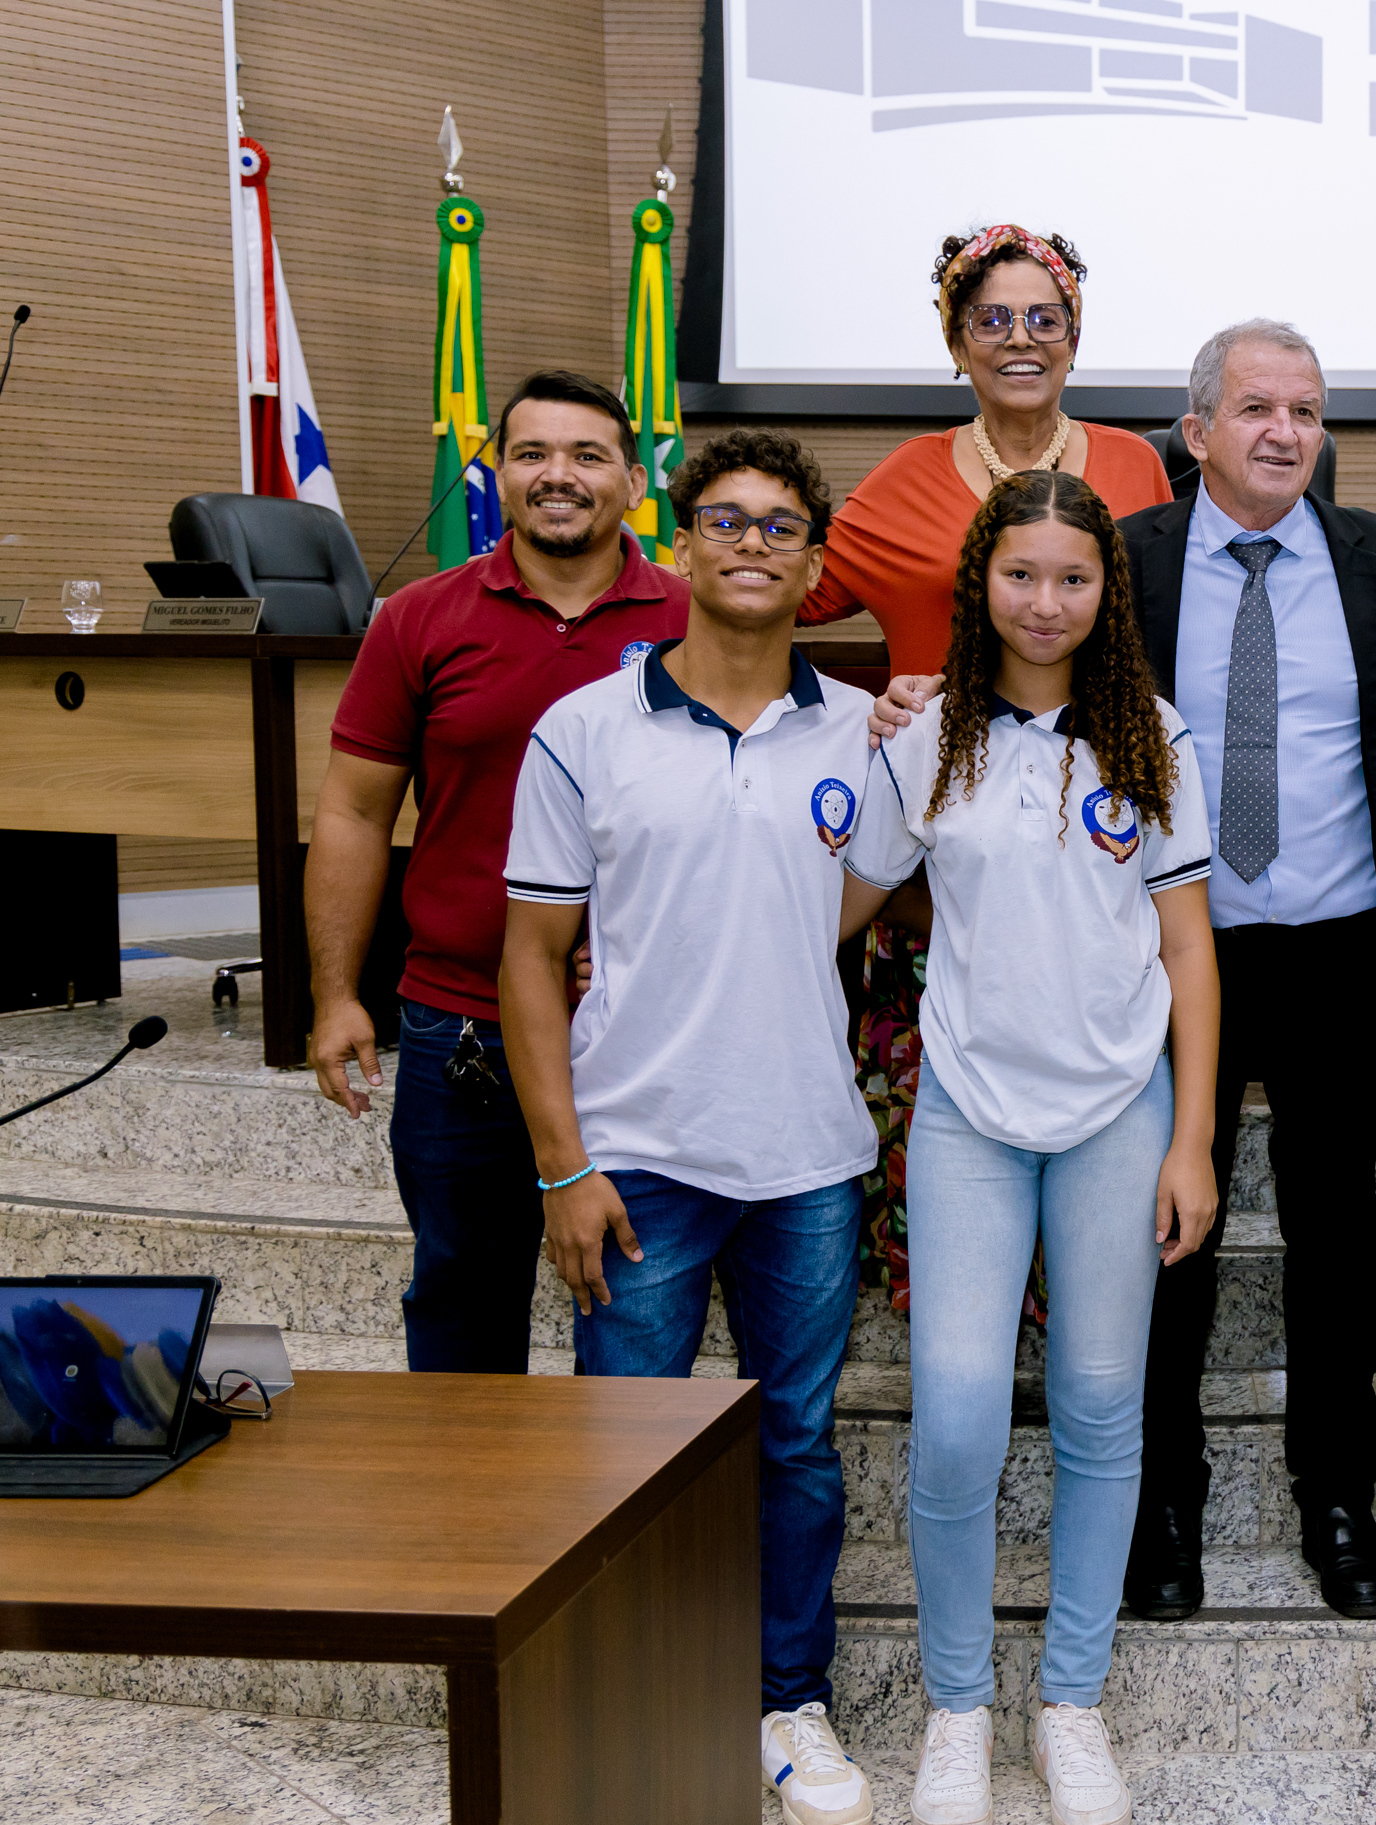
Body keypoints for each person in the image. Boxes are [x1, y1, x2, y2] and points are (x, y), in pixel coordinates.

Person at [872, 320, 1376, 1621]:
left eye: (1304, 408)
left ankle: (1335, 1497)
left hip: (1338, 942)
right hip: (1162, 944)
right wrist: (909, 705)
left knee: (1336, 1233)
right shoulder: (1126, 563)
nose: (1284, 431)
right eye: (1254, 408)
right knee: (1163, 1234)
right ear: (1195, 432)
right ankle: (1161, 1507)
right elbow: (1024, 681)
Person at [496, 429, 912, 1825]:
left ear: (811, 561)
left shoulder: (865, 732)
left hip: (805, 1157)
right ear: (675, 544)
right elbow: (528, 959)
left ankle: (784, 1700)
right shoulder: (585, 730)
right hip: (637, 1162)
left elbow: (847, 910)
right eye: (723, 521)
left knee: (791, 1442)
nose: (750, 544)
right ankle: (620, 1692)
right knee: (624, 1441)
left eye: (779, 526)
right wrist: (564, 1162)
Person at [876, 470, 1220, 1825]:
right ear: (980, 582)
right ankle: (958, 1707)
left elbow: (1190, 947)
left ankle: (1069, 1701)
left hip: (1116, 1114)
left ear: (1105, 593)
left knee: (1095, 1402)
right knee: (957, 1413)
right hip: (965, 1110)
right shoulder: (931, 736)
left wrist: (1190, 1138)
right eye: (1019, 574)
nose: (1044, 600)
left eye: (1072, 578)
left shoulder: (1151, 736)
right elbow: (837, 897)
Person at [800, 225, 1175, 1315]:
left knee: (1096, 1250)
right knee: (948, 1192)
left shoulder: (1133, 465)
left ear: (1073, 336)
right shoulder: (905, 479)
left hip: (1085, 848)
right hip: (935, 864)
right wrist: (861, 708)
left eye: (1042, 319)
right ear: (955, 339)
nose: (1019, 339)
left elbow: (1142, 635)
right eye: (992, 320)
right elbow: (766, 592)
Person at [307, 367, 686, 1372]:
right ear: (497, 472)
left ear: (630, 480)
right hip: (459, 1027)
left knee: (637, 1323)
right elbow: (352, 810)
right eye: (531, 453)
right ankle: (465, 1530)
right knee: (463, 1309)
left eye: (586, 454)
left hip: (642, 1030)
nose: (557, 475)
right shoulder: (418, 619)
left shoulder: (700, 620)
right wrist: (337, 992)